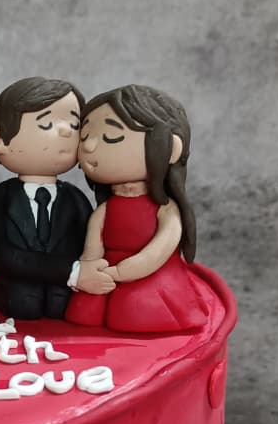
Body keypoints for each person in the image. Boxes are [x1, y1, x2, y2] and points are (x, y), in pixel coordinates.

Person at [64, 84, 213, 334]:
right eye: (85, 135)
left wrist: (123, 271)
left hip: (148, 276)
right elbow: (92, 247)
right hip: (106, 274)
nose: (88, 146)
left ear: (171, 149)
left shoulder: (166, 210)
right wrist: (91, 268)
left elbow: (156, 252)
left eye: (111, 136)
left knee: (134, 311)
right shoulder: (104, 210)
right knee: (83, 312)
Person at [0, 77, 109, 320]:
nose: (66, 131)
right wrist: (72, 272)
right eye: (47, 123)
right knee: (25, 305)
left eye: (74, 124)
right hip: (15, 290)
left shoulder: (76, 199)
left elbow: (91, 242)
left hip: (65, 294)